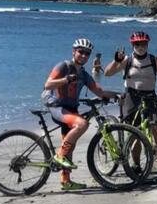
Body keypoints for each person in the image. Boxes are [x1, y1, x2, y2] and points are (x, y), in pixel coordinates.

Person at [42, 38, 116, 191]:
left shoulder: (84, 74)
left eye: (87, 53)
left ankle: (66, 182)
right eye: (81, 52)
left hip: (71, 109)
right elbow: (47, 84)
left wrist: (117, 95)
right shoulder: (63, 66)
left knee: (71, 143)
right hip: (56, 106)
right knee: (82, 124)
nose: (83, 55)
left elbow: (99, 91)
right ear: (73, 52)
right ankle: (59, 156)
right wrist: (66, 79)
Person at [104, 31, 157, 168]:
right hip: (131, 97)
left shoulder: (154, 60)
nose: (141, 46)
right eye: (137, 44)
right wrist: (116, 61)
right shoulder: (127, 60)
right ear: (132, 45)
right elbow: (107, 73)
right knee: (134, 133)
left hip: (150, 97)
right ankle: (136, 165)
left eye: (144, 44)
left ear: (148, 44)